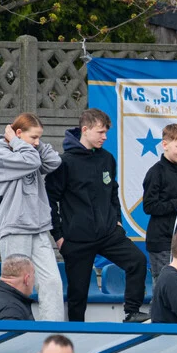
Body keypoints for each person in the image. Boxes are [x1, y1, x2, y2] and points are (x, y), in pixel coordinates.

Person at [45, 109, 149, 323]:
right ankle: (75, 335)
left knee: (137, 261)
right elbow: (49, 200)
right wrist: (58, 236)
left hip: (108, 233)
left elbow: (113, 192)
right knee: (78, 294)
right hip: (77, 239)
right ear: (85, 130)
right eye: (100, 132)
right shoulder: (64, 163)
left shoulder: (107, 159)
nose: (105, 137)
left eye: (106, 132)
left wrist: (117, 221)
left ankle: (132, 312)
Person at [0, 113, 64, 321]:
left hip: (38, 227)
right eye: (34, 137)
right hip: (15, 227)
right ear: (18, 133)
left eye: (40, 138)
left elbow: (54, 161)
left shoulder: (29, 151)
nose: (37, 143)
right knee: (17, 283)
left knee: (52, 282)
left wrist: (30, 142)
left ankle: (52, 332)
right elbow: (31, 161)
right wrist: (17, 142)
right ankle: (16, 328)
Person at [142, 123, 177, 281]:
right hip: (161, 241)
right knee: (164, 283)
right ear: (165, 144)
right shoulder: (156, 172)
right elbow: (149, 206)